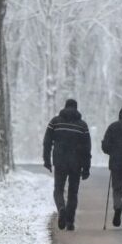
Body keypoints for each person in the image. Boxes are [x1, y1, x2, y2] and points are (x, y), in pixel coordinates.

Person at [43, 99, 91, 231]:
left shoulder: (55, 122)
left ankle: (61, 208)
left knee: (58, 189)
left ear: (64, 107)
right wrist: (86, 168)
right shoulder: (82, 126)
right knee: (73, 192)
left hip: (60, 161)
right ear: (76, 109)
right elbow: (87, 148)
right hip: (77, 163)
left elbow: (47, 142)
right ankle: (70, 222)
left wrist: (46, 159)